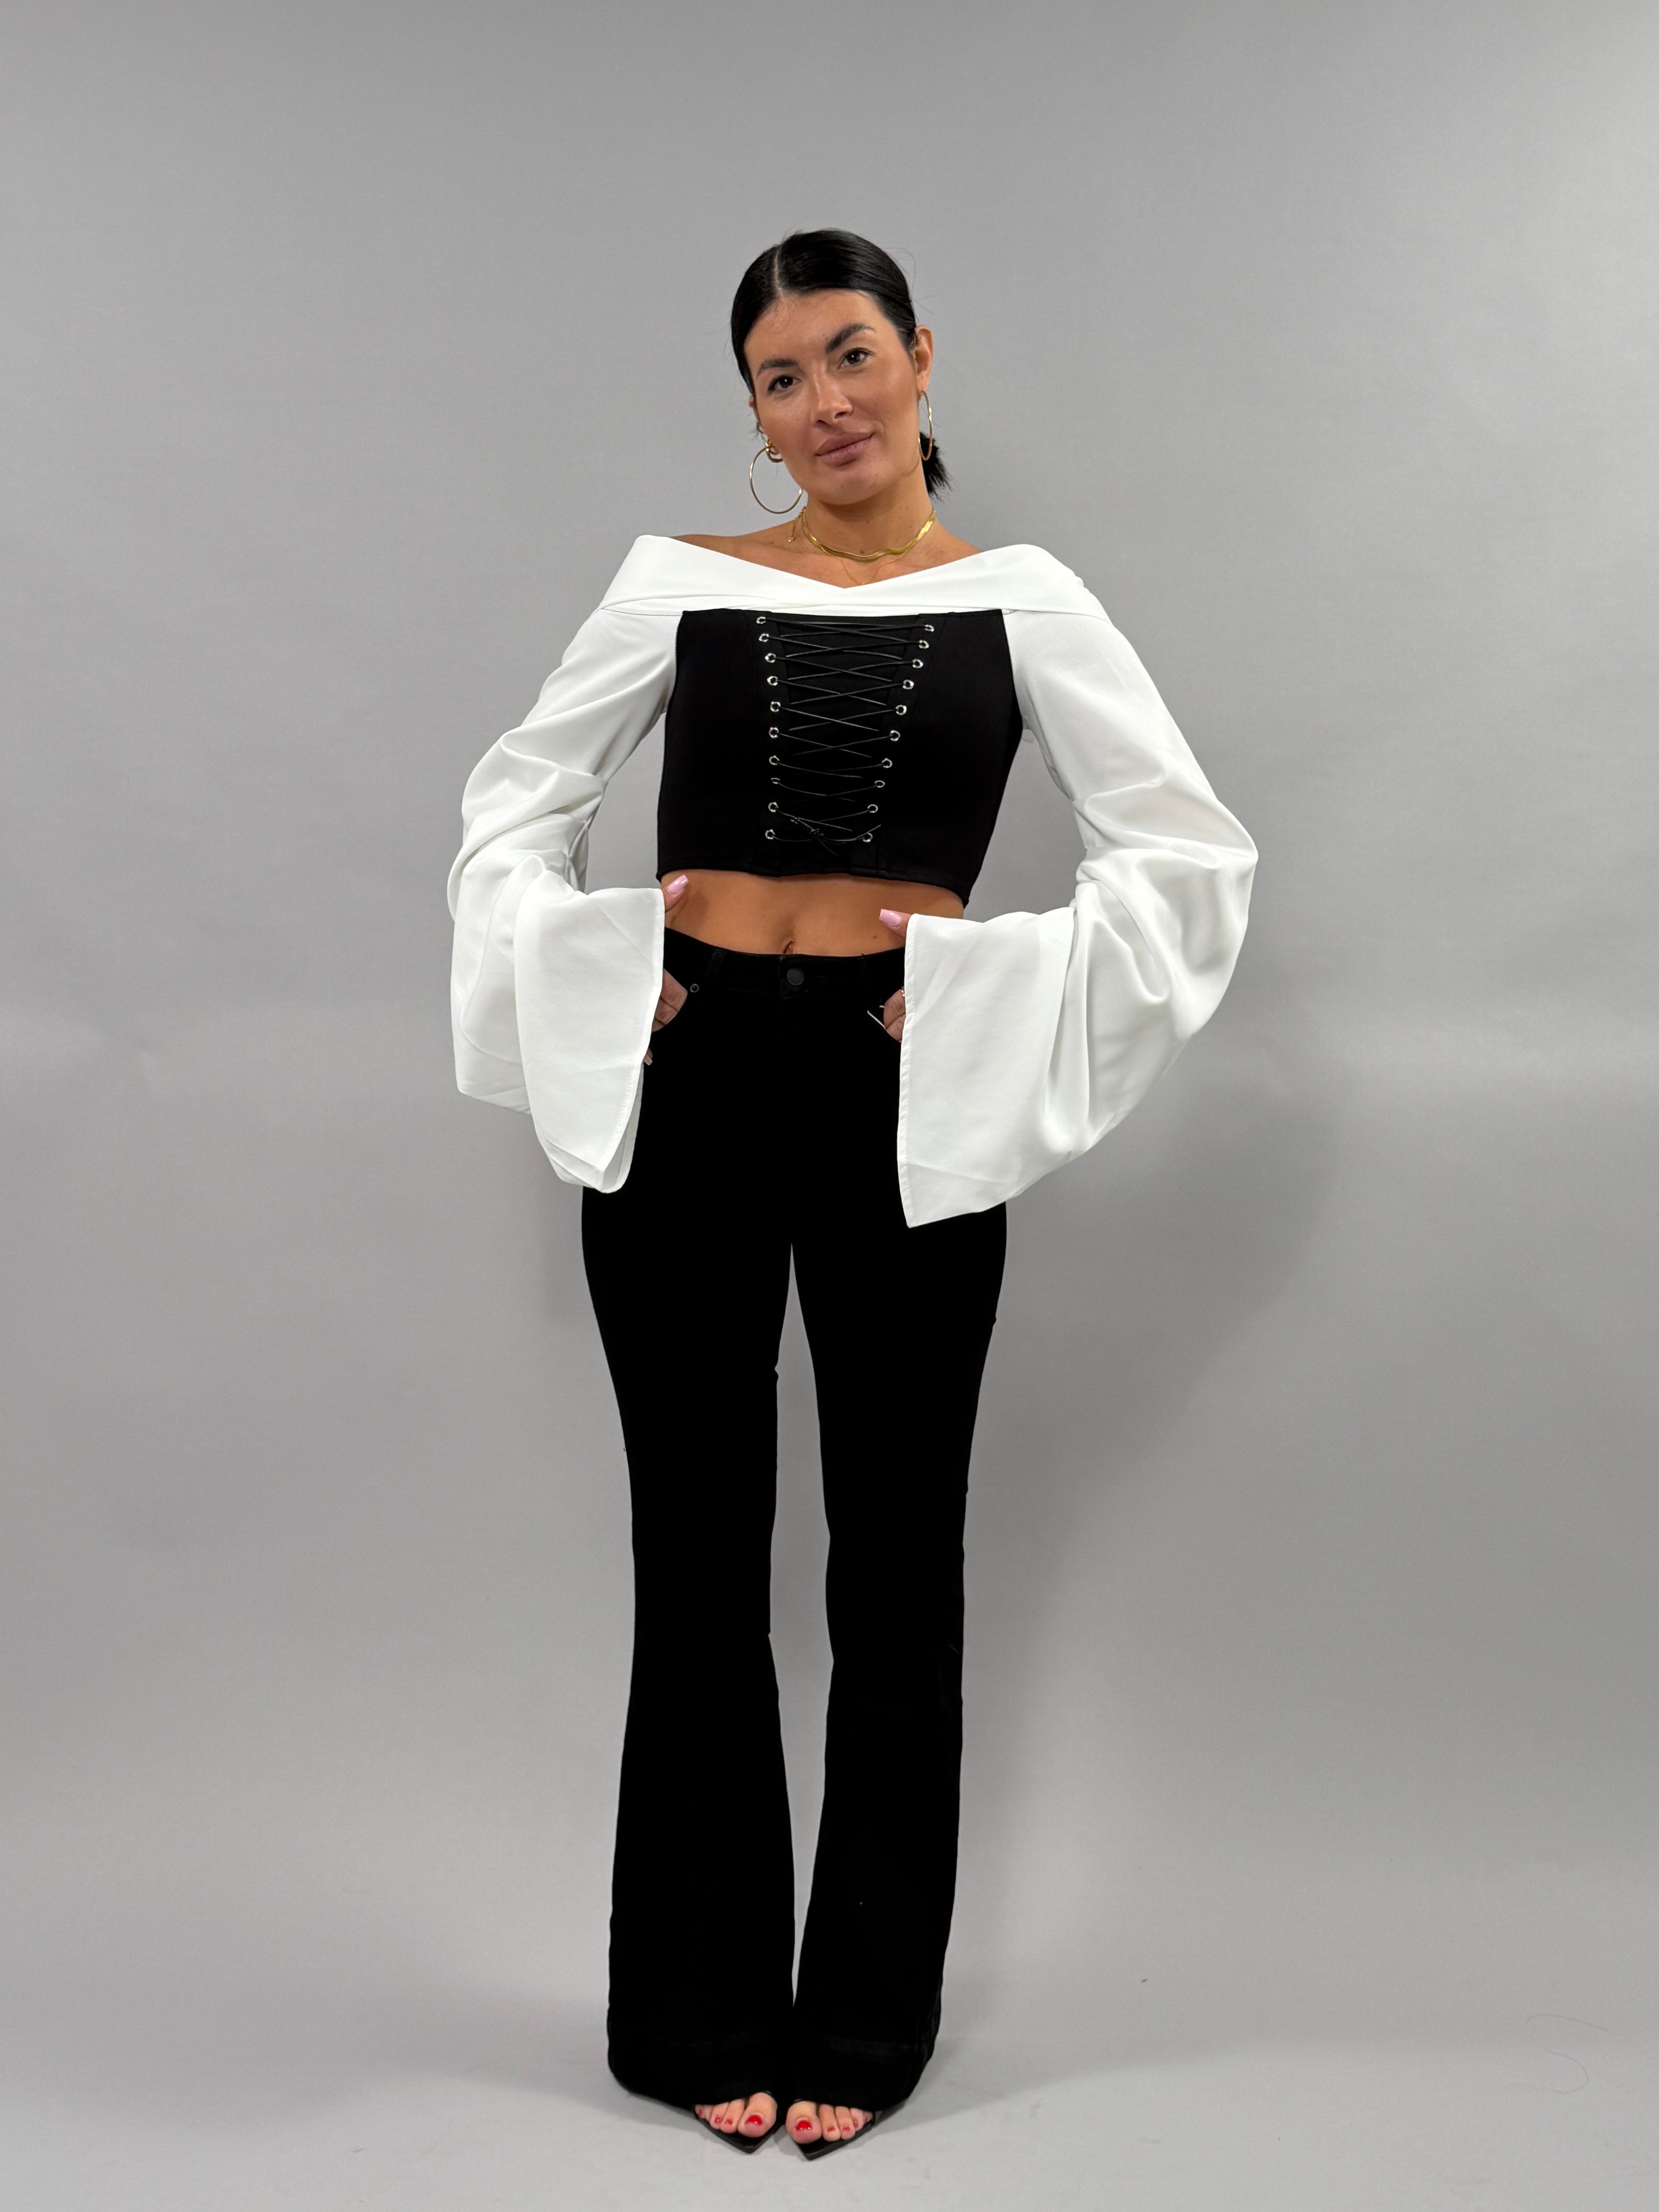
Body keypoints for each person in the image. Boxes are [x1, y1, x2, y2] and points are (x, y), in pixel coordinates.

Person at [447, 228, 1257, 2158]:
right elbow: (510, 810)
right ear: (753, 413)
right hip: (693, 1073)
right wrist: (596, 968)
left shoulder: (1023, 601)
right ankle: (695, 2004)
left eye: (852, 354)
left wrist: (999, 992)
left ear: (920, 360)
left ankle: (867, 2017)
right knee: (696, 1555)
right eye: (782, 377)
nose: (826, 402)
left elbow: (1188, 859)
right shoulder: (676, 585)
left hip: (910, 1094)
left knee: (898, 1563)